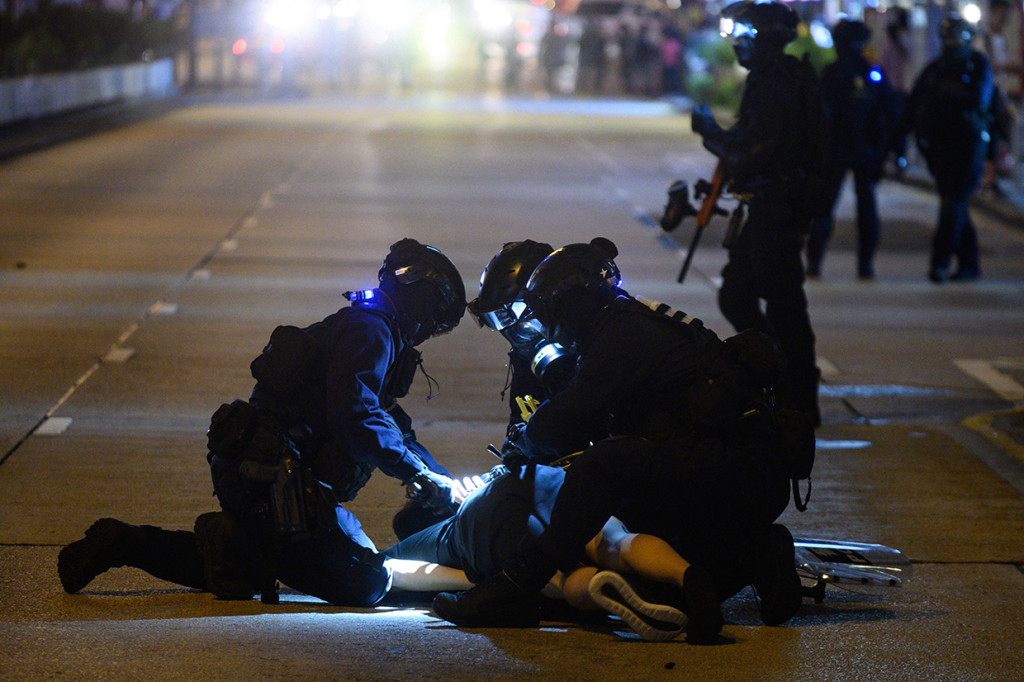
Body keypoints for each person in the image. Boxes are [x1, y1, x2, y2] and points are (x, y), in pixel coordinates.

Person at [431, 239, 808, 643]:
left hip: (738, 471)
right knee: (645, 581)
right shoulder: (618, 324)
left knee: (601, 469)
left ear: (571, 301)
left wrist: (523, 441)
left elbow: (569, 417)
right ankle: (759, 554)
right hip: (722, 472)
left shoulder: (622, 331)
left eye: (544, 309)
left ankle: (515, 586)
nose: (541, 322)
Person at [58, 239, 469, 607]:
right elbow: (356, 416)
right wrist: (414, 473)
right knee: (366, 583)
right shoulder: (372, 332)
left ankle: (127, 542)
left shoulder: (363, 325)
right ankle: (240, 540)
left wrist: (442, 479)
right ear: (422, 298)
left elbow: (393, 424)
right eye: (434, 320)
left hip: (261, 476)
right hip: (274, 484)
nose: (428, 333)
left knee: (248, 568)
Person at [689, 0, 826, 425]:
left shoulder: (778, 83)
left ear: (767, 40)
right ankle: (778, 372)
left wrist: (710, 132)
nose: (737, 46)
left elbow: (750, 153)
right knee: (737, 294)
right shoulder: (769, 79)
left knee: (783, 304)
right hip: (764, 208)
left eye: (745, 37)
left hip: (777, 211)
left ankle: (798, 392)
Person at [896, 14, 994, 283]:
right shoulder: (936, 69)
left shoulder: (976, 65)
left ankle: (940, 261)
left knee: (953, 205)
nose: (949, 43)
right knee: (955, 205)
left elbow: (980, 100)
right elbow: (914, 106)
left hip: (968, 147)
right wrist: (900, 144)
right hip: (940, 149)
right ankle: (969, 263)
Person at [806, 20, 897, 281]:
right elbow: (890, 113)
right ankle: (864, 264)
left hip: (838, 149)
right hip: (860, 149)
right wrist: (888, 150)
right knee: (862, 208)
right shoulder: (868, 73)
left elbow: (817, 114)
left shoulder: (833, 73)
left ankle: (815, 261)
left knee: (825, 208)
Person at [467, 240, 575, 430]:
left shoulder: (596, 337)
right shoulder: (527, 357)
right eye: (496, 320)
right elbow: (520, 421)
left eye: (508, 316)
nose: (509, 330)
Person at [879, 7, 912, 175]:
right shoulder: (902, 40)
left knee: (893, 127)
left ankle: (892, 157)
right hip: (901, 90)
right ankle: (897, 158)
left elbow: (884, 65)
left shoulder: (894, 41)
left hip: (894, 90)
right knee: (899, 128)